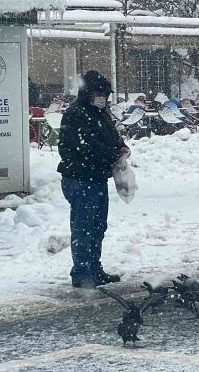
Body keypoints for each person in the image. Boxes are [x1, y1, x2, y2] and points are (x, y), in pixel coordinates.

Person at [58, 70, 129, 288]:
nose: (102, 98)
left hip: (96, 178)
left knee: (98, 226)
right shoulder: (76, 114)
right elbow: (86, 147)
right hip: (80, 179)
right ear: (87, 92)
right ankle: (81, 272)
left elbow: (110, 137)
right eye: (99, 93)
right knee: (83, 227)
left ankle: (94, 268)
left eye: (105, 94)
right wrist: (112, 155)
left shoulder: (99, 113)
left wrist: (121, 147)